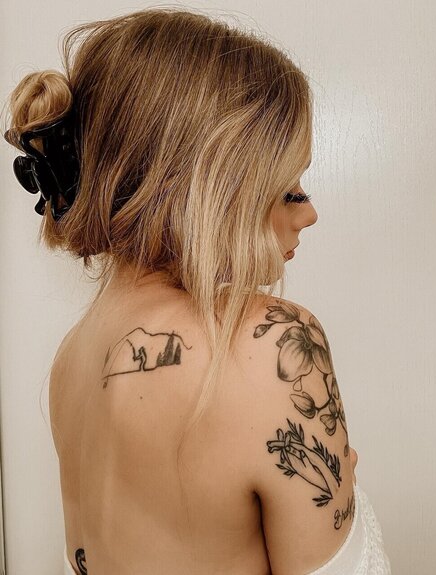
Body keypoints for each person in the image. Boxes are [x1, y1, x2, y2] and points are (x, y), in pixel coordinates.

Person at [3, 7, 391, 574]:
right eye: (287, 187)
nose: (309, 213)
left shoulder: (73, 358)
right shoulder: (272, 343)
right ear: (211, 187)